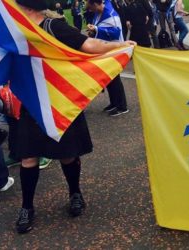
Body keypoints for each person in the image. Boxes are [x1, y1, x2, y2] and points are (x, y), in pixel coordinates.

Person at [14, 0, 136, 234]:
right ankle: (27, 207)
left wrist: (119, 45)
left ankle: (75, 193)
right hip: (33, 102)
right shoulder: (15, 31)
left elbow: (88, 44)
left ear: (26, 6)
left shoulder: (53, 27)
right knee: (28, 158)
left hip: (61, 101)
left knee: (68, 155)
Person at [87, 0, 130, 116]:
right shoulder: (100, 12)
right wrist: (93, 30)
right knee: (109, 78)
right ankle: (114, 102)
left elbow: (116, 33)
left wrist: (96, 29)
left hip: (115, 51)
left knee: (115, 78)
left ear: (96, 4)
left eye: (91, 8)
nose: (91, 11)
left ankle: (122, 106)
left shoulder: (110, 15)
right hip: (107, 50)